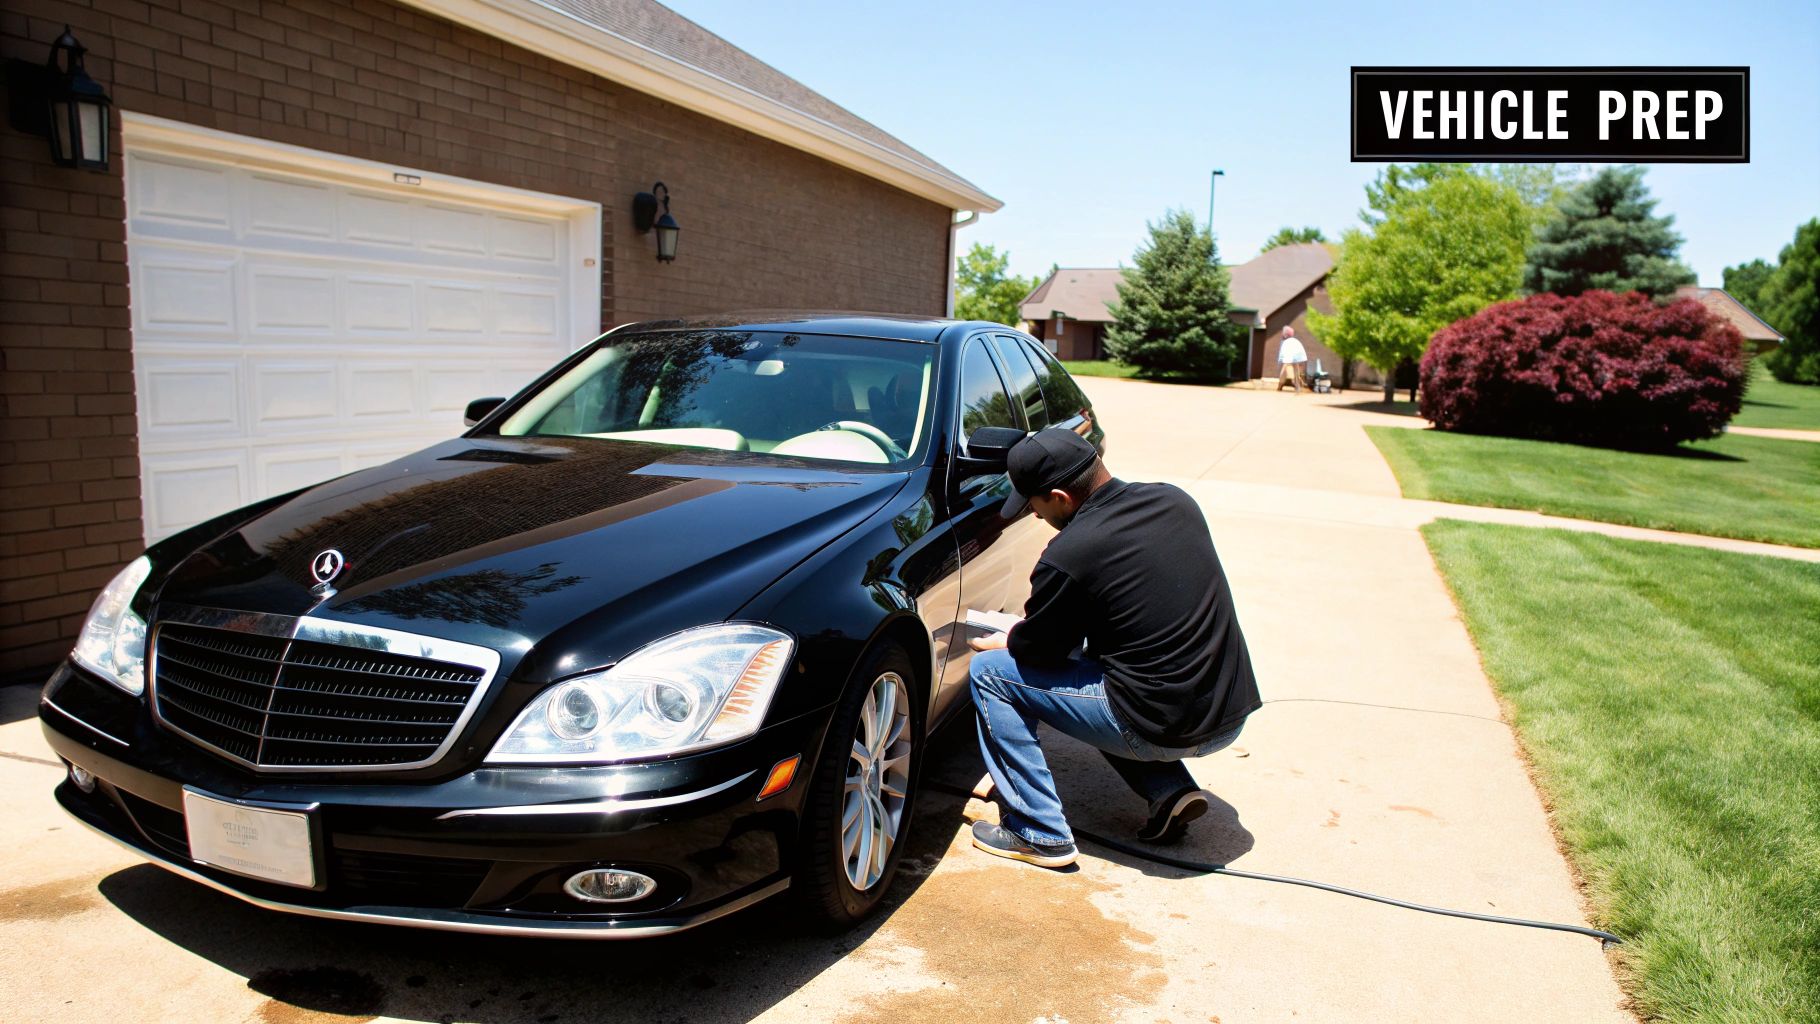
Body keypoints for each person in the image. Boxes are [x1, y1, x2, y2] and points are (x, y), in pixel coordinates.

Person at [967, 428, 1261, 868]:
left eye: (1033, 505)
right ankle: (1169, 791)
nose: (1033, 515)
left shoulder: (1069, 553)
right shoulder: (1174, 501)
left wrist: (1011, 638)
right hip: (1227, 712)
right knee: (1104, 666)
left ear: (1060, 497)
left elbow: (1039, 654)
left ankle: (1038, 832)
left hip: (1159, 725)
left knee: (990, 673)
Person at [1276, 326, 1308, 392]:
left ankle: (1280, 385)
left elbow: (1283, 354)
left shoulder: (1285, 342)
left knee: (1285, 366)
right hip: (1295, 355)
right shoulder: (1294, 341)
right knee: (1295, 368)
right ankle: (1297, 386)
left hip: (1290, 354)